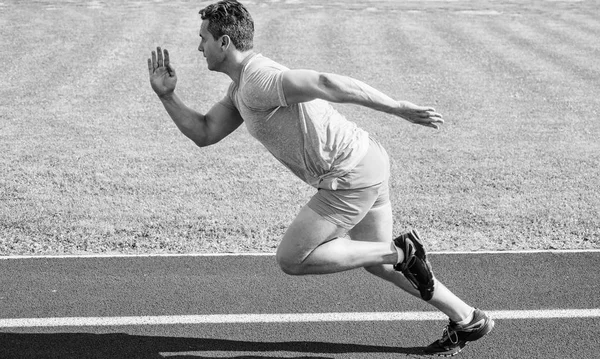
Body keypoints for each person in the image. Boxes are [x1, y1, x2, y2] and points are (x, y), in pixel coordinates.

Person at [147, 0, 494, 355]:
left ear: (224, 42)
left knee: (293, 258)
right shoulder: (239, 91)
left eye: (202, 38)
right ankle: (468, 318)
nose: (198, 46)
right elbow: (205, 132)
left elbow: (325, 82)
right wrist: (168, 96)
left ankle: (401, 251)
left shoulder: (258, 79)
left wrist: (398, 107)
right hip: (367, 160)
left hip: (349, 174)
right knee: (377, 262)